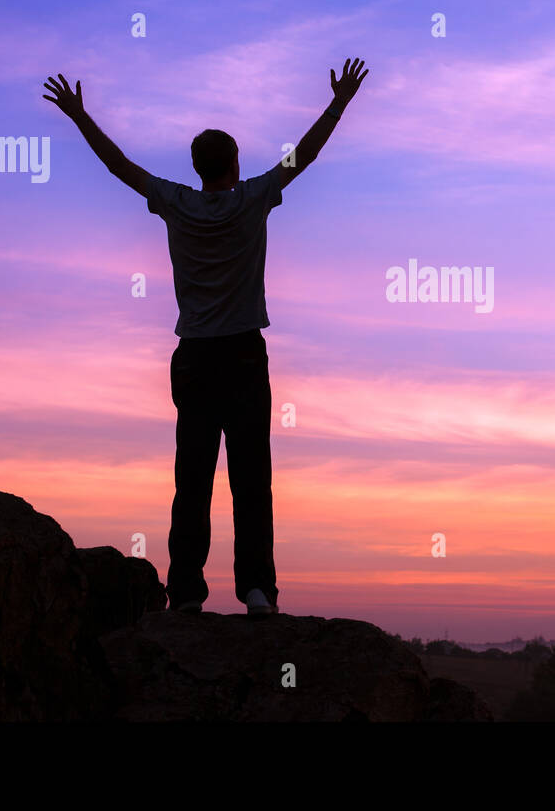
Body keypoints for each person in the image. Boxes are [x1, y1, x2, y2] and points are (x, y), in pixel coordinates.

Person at [43, 58, 370, 616]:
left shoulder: (176, 202)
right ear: (235, 164)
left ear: (197, 167)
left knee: (191, 477)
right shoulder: (254, 197)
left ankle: (188, 593)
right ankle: (257, 591)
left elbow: (119, 165)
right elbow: (304, 155)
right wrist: (339, 101)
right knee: (251, 477)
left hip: (194, 355)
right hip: (243, 351)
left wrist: (79, 116)